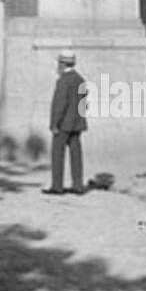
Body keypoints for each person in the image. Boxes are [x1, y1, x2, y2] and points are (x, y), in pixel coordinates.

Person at [42, 50, 88, 195]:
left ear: (62, 64)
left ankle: (57, 186)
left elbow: (60, 104)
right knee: (76, 155)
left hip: (63, 124)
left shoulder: (63, 81)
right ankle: (78, 185)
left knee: (57, 154)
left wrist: (54, 123)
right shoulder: (80, 79)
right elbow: (84, 103)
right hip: (77, 123)